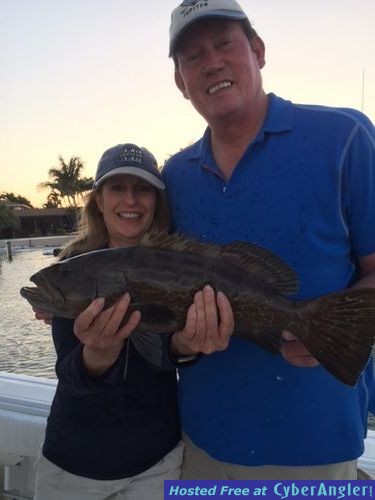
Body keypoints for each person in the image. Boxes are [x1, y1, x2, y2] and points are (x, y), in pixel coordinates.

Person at [161, 0, 375, 480]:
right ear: (181, 82)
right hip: (203, 446)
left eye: (224, 44)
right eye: (192, 56)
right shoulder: (173, 176)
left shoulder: (345, 137)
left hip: (318, 447)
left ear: (257, 50)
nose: (211, 62)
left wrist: (333, 332)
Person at [33, 143, 184, 500]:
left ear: (156, 202)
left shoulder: (176, 263)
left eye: (142, 188)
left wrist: (188, 347)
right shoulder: (71, 272)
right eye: (117, 187)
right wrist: (96, 357)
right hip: (73, 464)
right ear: (98, 200)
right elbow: (67, 372)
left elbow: (169, 354)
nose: (130, 200)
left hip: (157, 462)